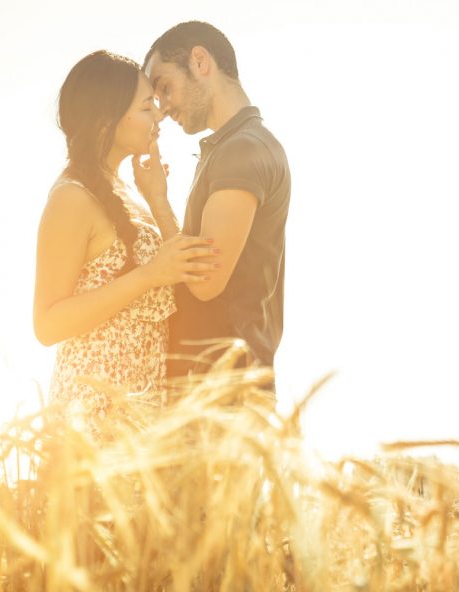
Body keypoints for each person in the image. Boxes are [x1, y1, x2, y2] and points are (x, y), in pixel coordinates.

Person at [33, 50, 219, 420]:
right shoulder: (72, 197)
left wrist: (158, 198)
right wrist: (148, 276)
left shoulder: (126, 192)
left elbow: (182, 268)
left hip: (140, 418)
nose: (159, 116)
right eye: (147, 106)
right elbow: (47, 324)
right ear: (106, 120)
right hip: (91, 418)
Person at [143, 22, 291, 387]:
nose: (161, 109)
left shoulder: (243, 150)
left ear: (200, 61)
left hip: (225, 391)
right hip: (216, 387)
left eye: (164, 88)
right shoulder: (233, 147)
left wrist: (159, 203)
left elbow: (205, 281)